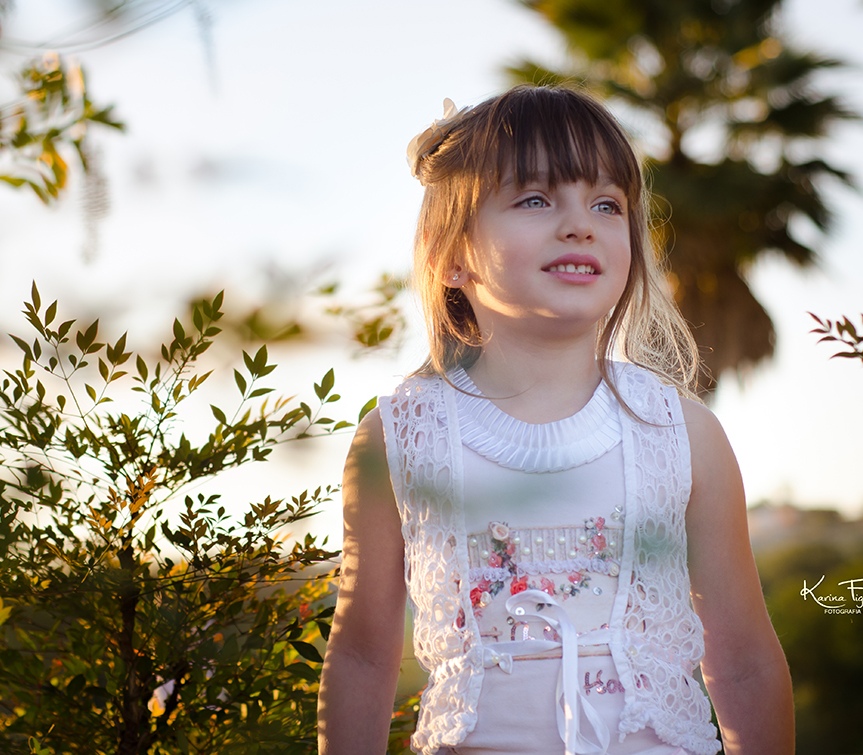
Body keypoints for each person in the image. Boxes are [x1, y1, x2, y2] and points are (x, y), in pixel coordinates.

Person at [317, 85, 793, 755]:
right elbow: (364, 656)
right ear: (449, 256)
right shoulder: (402, 437)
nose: (580, 224)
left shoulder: (682, 434)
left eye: (606, 204)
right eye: (536, 200)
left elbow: (742, 659)